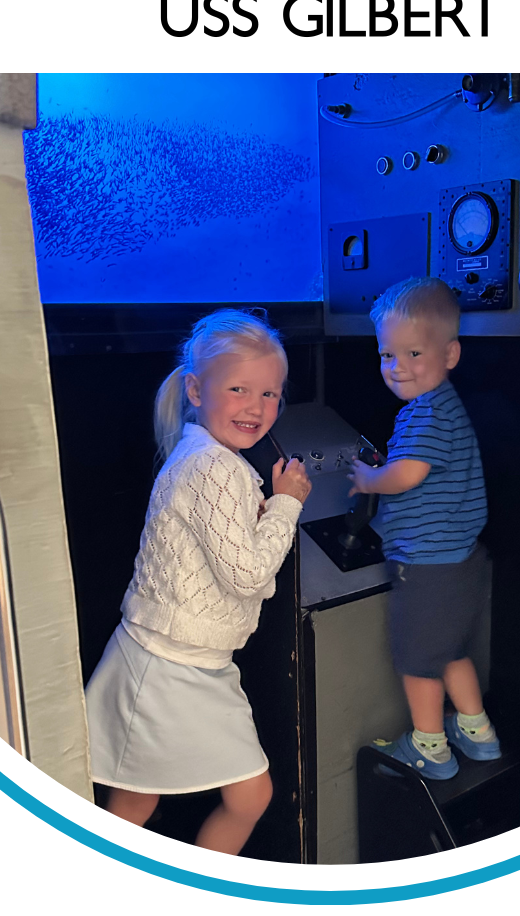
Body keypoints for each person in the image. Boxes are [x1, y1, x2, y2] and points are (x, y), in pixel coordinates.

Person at [84, 309, 311, 853]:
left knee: (136, 800)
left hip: (186, 659)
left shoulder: (211, 460)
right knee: (240, 797)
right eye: (239, 388)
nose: (257, 407)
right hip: (169, 663)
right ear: (196, 389)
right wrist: (286, 505)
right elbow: (248, 575)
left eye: (271, 394)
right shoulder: (212, 467)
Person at [348, 277, 499, 780]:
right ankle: (477, 733)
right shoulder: (449, 407)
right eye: (388, 355)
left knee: (418, 660)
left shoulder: (423, 414)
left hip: (428, 563)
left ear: (450, 354)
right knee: (451, 649)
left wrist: (371, 478)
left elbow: (408, 472)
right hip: (462, 558)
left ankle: (429, 747)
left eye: (414, 353)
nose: (399, 368)